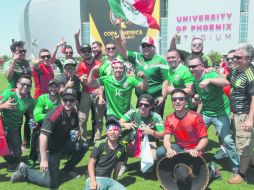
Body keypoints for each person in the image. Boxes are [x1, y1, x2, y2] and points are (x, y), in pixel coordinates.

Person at [10, 88, 89, 188]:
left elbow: (76, 128)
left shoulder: (74, 112)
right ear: (61, 100)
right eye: (65, 100)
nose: (68, 102)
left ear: (76, 101)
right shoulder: (54, 114)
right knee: (51, 183)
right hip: (49, 150)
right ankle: (23, 170)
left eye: (71, 100)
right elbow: (43, 136)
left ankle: (67, 170)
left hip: (63, 144)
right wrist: (43, 160)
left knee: (84, 145)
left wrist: (77, 133)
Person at [189, 56, 240, 173]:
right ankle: (194, 161)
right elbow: (200, 96)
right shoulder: (195, 79)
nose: (192, 69)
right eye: (190, 67)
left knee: (227, 140)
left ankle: (236, 166)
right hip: (206, 112)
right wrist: (196, 101)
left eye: (194, 66)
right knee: (194, 135)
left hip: (220, 112)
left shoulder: (209, 75)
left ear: (202, 67)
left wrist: (210, 80)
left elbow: (226, 82)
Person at [117, 31, 168, 117]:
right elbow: (122, 52)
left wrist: (163, 97)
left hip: (156, 99)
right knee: (139, 122)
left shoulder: (160, 60)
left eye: (148, 46)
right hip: (141, 98)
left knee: (155, 123)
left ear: (153, 47)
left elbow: (165, 80)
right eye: (143, 46)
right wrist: (121, 31)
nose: (146, 48)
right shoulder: (137, 56)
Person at [228, 44, 254, 184]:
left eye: (238, 57)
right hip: (235, 113)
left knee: (243, 146)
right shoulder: (235, 71)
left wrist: (250, 120)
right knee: (244, 142)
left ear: (249, 59)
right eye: (233, 57)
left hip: (245, 115)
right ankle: (251, 162)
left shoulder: (251, 74)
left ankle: (242, 174)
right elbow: (226, 82)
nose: (234, 59)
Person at [156, 89, 208, 158]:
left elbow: (204, 138)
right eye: (174, 99)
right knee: (160, 152)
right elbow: (166, 138)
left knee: (188, 164)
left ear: (186, 101)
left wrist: (196, 149)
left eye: (181, 99)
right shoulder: (169, 118)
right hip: (179, 147)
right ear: (172, 102)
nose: (177, 101)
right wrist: (169, 149)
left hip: (194, 149)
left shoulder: (196, 117)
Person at [119, 94, 164, 171]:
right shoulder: (133, 112)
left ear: (151, 106)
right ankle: (122, 164)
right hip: (133, 140)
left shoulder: (156, 117)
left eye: (146, 105)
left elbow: (163, 135)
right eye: (140, 104)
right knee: (121, 143)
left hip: (149, 142)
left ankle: (150, 165)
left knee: (149, 167)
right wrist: (124, 124)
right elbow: (117, 123)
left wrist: (152, 132)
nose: (142, 106)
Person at [0, 75, 34, 171]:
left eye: (28, 85)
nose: (26, 87)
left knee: (18, 152)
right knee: (3, 147)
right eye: (23, 84)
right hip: (2, 127)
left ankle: (16, 161)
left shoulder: (30, 101)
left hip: (14, 127)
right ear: (18, 84)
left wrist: (33, 122)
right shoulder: (9, 93)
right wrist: (4, 106)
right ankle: (12, 162)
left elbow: (31, 115)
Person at [3, 40, 32, 148]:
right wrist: (14, 62)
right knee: (17, 121)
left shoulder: (25, 62)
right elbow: (8, 77)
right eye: (20, 51)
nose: (23, 53)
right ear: (13, 52)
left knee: (30, 119)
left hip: (27, 95)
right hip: (15, 96)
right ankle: (17, 144)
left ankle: (26, 141)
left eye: (24, 51)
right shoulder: (8, 63)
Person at [84, 116, 126, 190]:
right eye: (110, 129)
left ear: (120, 132)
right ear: (106, 132)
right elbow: (91, 163)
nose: (113, 132)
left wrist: (115, 180)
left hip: (108, 179)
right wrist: (93, 182)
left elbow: (118, 166)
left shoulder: (122, 148)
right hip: (94, 177)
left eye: (116, 129)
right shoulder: (100, 144)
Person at [28, 79, 61, 167]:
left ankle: (65, 152)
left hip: (57, 124)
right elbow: (37, 116)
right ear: (48, 88)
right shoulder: (42, 98)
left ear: (59, 88)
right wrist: (52, 115)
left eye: (56, 86)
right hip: (43, 123)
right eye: (51, 86)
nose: (53, 89)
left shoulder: (62, 99)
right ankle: (32, 158)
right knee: (36, 132)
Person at [76, 44, 104, 142]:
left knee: (99, 119)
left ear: (91, 51)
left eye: (88, 50)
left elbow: (103, 80)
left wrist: (99, 91)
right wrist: (81, 79)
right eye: (84, 51)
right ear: (81, 53)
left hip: (98, 93)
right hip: (86, 93)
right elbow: (83, 81)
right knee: (82, 118)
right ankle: (83, 140)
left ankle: (97, 140)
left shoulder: (100, 63)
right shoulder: (80, 65)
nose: (87, 53)